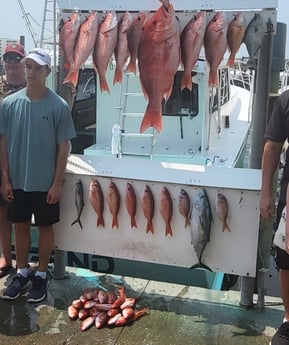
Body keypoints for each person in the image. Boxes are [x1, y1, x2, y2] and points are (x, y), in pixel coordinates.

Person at [0, 48, 76, 303]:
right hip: (18, 181)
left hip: (45, 183)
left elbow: (63, 147)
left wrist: (56, 184)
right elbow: (4, 142)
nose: (31, 71)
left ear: (47, 71)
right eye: (28, 66)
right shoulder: (8, 104)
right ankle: (21, 273)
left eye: (37, 67)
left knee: (45, 227)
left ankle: (42, 274)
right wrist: (5, 178)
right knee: (20, 226)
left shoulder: (59, 106)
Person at [260, 88, 289, 345]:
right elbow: (272, 146)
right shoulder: (287, 100)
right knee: (285, 257)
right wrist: (265, 192)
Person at [0, 43, 26, 278]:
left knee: (20, 215)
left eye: (16, 59)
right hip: (1, 156)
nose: (11, 63)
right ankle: (6, 258)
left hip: (21, 157)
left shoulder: (32, 88)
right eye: (8, 58)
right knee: (2, 212)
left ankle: (22, 264)